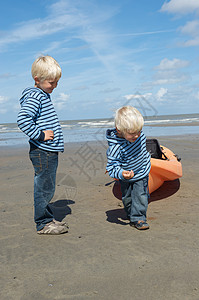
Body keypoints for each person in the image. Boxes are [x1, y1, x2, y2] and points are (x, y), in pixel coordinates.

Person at [17, 55, 68, 235]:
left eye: (56, 82)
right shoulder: (35, 96)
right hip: (42, 150)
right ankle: (43, 224)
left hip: (47, 151)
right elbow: (23, 120)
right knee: (44, 187)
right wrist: (40, 134)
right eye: (51, 82)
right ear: (37, 80)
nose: (54, 86)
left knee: (48, 186)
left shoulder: (42, 94)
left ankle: (46, 217)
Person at [106, 106, 151, 230]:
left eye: (139, 131)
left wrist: (146, 159)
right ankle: (131, 214)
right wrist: (121, 173)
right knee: (127, 197)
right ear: (119, 130)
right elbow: (111, 167)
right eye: (132, 133)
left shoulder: (139, 135)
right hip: (126, 175)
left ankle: (139, 218)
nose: (137, 136)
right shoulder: (115, 148)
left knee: (140, 195)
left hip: (141, 171)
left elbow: (142, 149)